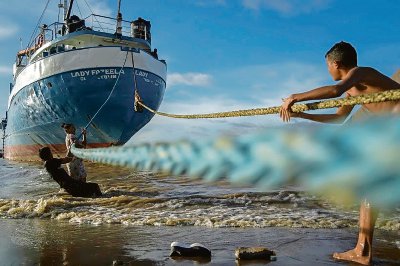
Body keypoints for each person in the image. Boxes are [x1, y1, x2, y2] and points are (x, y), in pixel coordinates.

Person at [279, 41, 400, 265]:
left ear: (336, 64)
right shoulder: (356, 89)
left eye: (328, 67)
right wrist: (303, 116)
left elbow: (334, 90)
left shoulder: (361, 73)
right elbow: (338, 117)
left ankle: (363, 251)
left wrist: (295, 96)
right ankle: (362, 250)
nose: (328, 71)